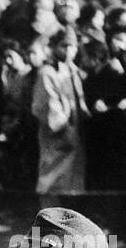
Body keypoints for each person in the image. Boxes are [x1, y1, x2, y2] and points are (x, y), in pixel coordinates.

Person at [31, 27, 88, 193]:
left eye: (73, 46)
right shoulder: (47, 72)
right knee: (53, 179)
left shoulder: (73, 70)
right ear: (55, 46)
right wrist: (65, 128)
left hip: (75, 132)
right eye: (64, 46)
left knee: (73, 182)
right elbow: (47, 105)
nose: (69, 51)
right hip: (58, 135)